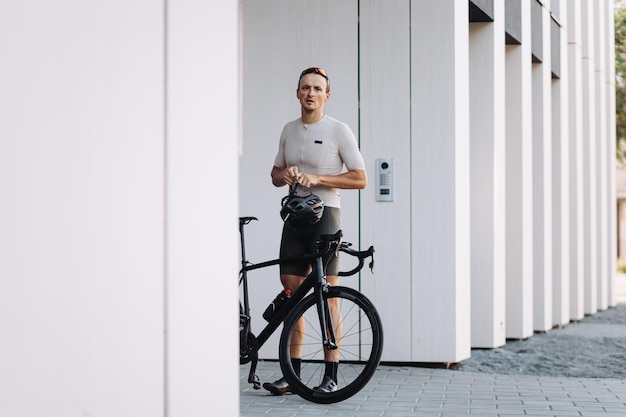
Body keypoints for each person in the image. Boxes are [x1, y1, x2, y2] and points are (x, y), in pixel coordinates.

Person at [263, 67, 367, 395]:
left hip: (326, 217)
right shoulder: (289, 130)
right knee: (292, 294)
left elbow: (359, 177)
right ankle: (291, 375)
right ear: (297, 93)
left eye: (317, 89)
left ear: (327, 95)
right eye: (305, 88)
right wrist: (287, 174)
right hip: (295, 217)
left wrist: (319, 178)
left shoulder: (338, 130)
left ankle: (330, 374)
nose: (311, 93)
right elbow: (275, 173)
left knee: (327, 295)